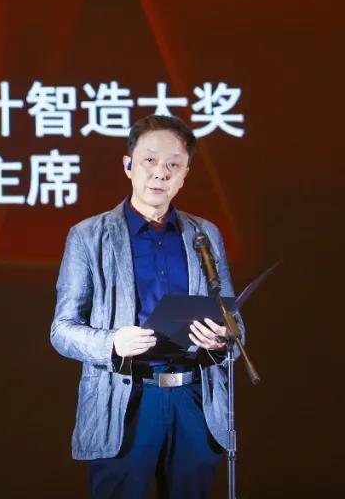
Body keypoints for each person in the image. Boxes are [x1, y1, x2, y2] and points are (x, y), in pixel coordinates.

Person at [50, 114, 243, 498]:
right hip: (125, 398)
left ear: (184, 175)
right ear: (128, 165)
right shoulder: (89, 236)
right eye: (150, 161)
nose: (160, 173)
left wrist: (223, 338)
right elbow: (62, 329)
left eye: (173, 165)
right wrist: (112, 342)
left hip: (194, 399)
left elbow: (234, 321)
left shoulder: (204, 234)